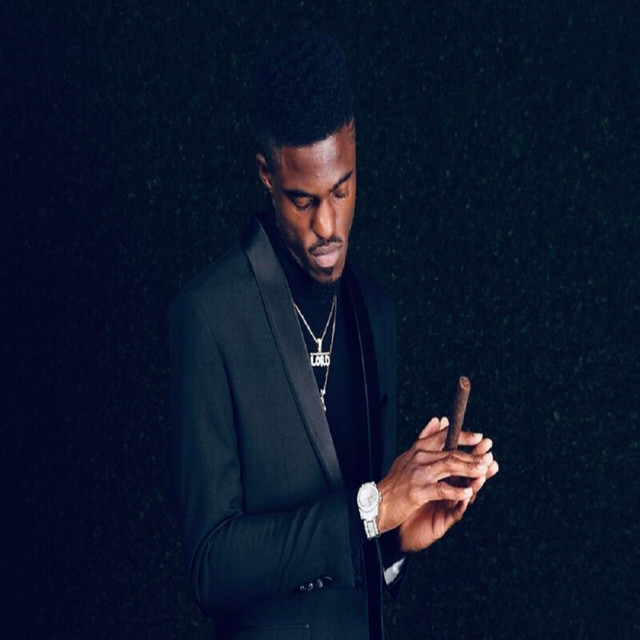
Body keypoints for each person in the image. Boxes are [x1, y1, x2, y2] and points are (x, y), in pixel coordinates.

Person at [171, 31, 498, 640]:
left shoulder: (375, 310)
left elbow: (362, 549)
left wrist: (398, 534)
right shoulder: (209, 316)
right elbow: (209, 568)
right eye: (303, 201)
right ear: (267, 174)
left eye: (341, 191)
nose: (327, 226)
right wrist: (374, 508)